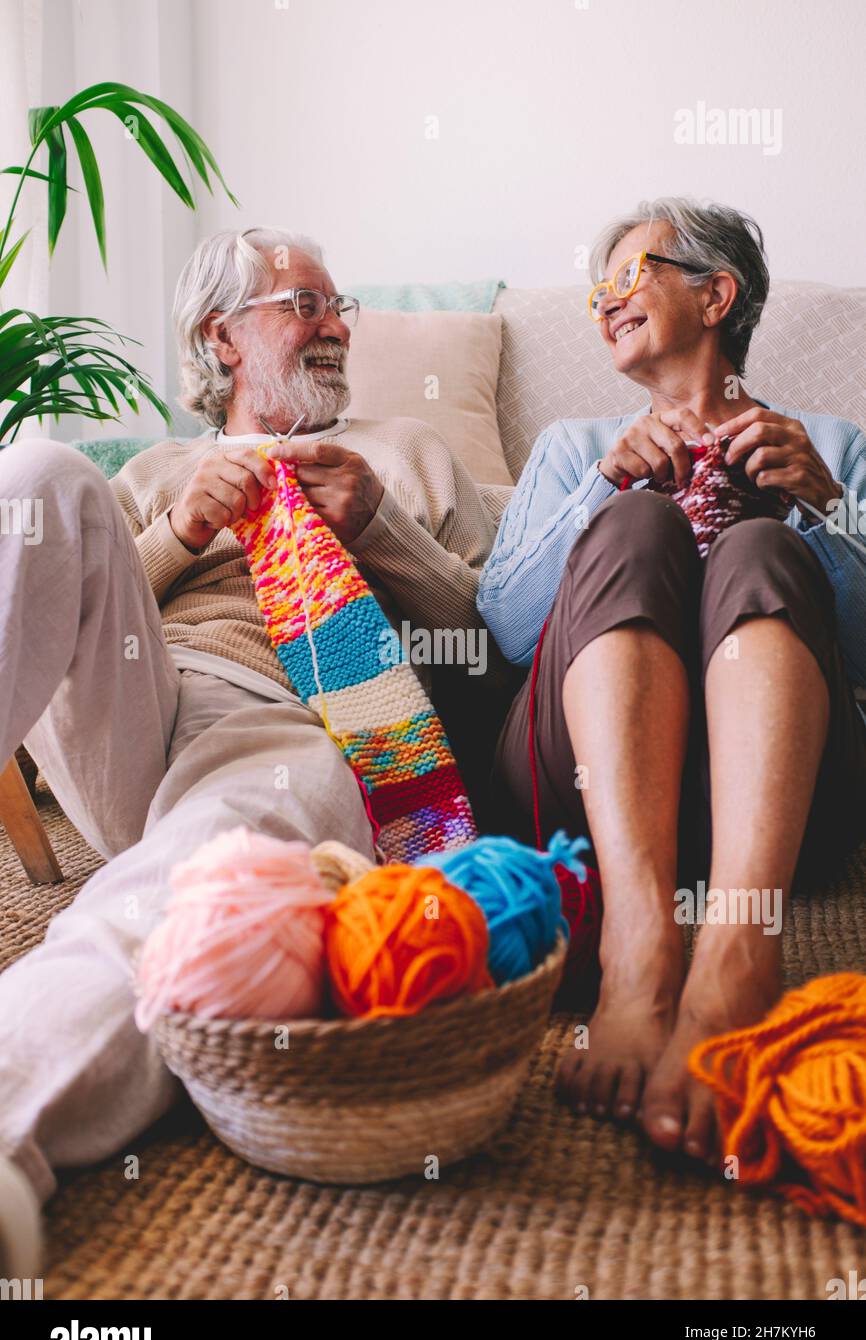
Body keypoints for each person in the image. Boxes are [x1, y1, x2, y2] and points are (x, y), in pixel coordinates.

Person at [0, 227, 502, 1274]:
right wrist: (181, 533)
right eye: (301, 306)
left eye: (338, 307)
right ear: (221, 338)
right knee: (33, 472)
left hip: (300, 720)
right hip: (137, 702)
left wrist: (383, 533)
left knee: (185, 884)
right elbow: (63, 620)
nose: (334, 327)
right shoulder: (149, 469)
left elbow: (491, 649)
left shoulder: (406, 450)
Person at [478, 197, 866, 1165]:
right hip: (580, 796)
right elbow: (509, 633)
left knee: (762, 546)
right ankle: (637, 945)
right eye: (593, 288)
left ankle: (737, 949)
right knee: (637, 526)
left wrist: (821, 508)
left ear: (714, 292)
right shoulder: (572, 446)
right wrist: (596, 498)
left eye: (627, 275)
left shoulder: (833, 443)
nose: (603, 301)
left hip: (789, 808)